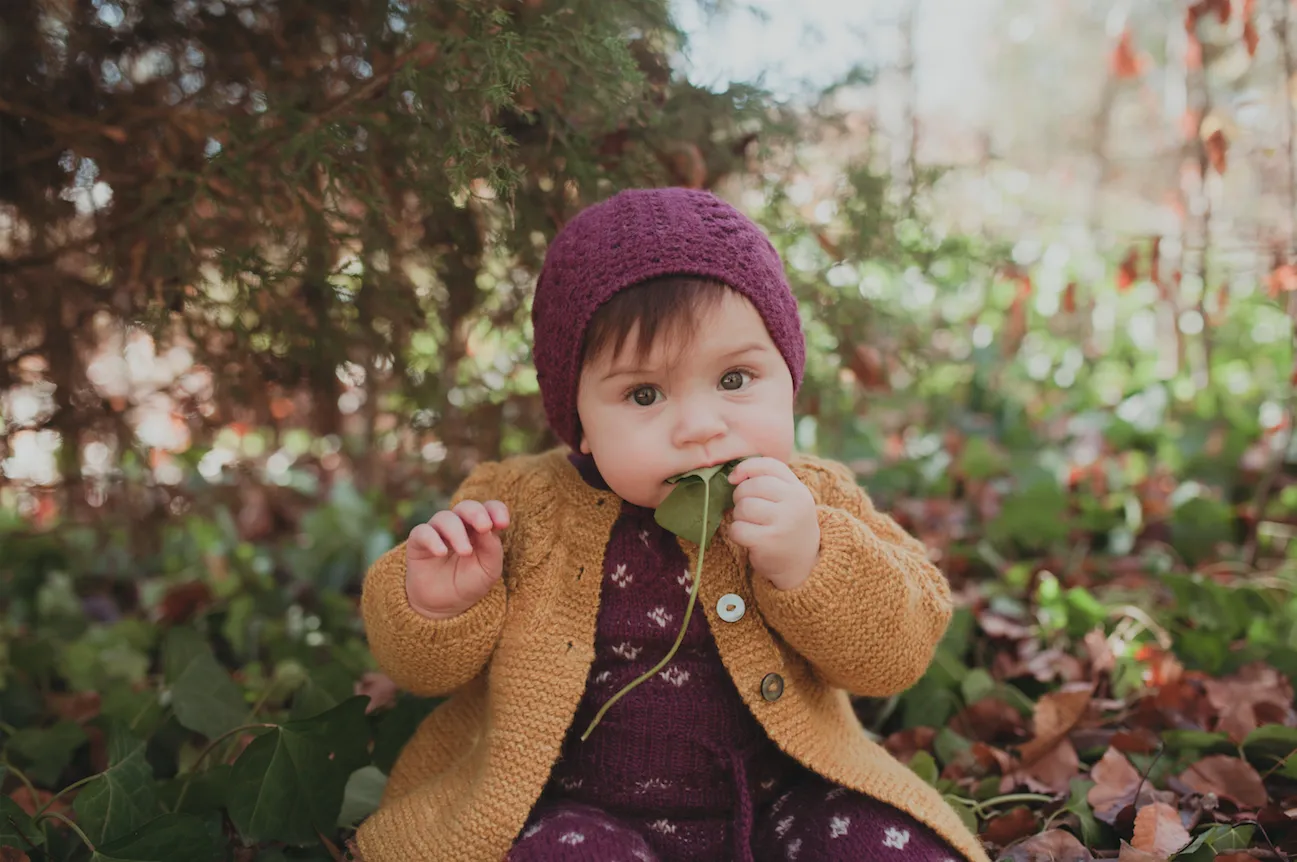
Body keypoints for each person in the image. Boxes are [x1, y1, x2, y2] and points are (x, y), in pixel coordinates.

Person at [351, 187, 990, 862]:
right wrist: (438, 605)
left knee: (883, 846)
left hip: (783, 804)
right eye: (644, 394)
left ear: (788, 375)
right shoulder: (517, 505)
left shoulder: (815, 500)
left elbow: (896, 656)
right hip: (577, 813)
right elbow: (420, 670)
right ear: (579, 421)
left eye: (736, 379)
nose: (700, 426)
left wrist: (811, 561)